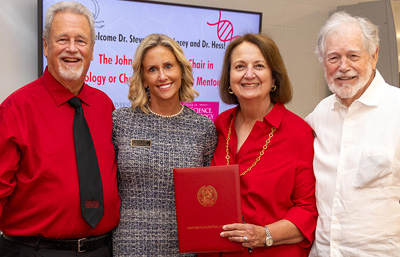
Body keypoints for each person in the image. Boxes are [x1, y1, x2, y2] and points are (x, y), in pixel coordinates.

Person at [0, 2, 120, 256]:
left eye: (81, 41)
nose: (72, 49)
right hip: (34, 250)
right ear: (46, 46)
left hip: (102, 249)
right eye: (62, 39)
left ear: (92, 49)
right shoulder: (16, 108)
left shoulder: (105, 106)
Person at [200, 33, 317, 257]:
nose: (249, 74)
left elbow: (308, 210)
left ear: (274, 78)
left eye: (259, 65)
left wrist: (264, 235)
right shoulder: (219, 125)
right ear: (229, 78)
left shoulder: (298, 133)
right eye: (240, 66)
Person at [112, 33, 217, 256]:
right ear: (143, 77)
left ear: (181, 70)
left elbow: (210, 197)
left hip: (184, 248)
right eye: (152, 69)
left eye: (168, 66)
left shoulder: (203, 128)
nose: (162, 76)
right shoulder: (121, 121)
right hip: (130, 247)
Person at [305, 12, 400, 256]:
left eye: (353, 56)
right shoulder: (319, 115)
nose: (343, 67)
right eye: (333, 57)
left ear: (374, 55)